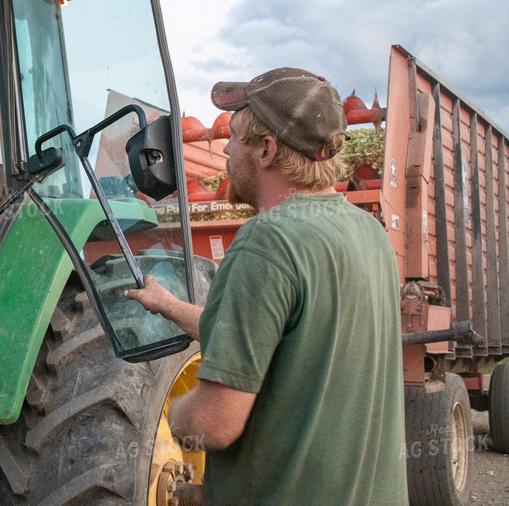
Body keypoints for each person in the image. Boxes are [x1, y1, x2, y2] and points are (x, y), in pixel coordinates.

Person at [125, 68, 408, 505]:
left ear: (266, 150)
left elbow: (213, 425)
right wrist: (168, 305)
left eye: (233, 138)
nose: (225, 153)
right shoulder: (369, 234)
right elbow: (277, 341)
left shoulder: (268, 240)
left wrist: (166, 414)